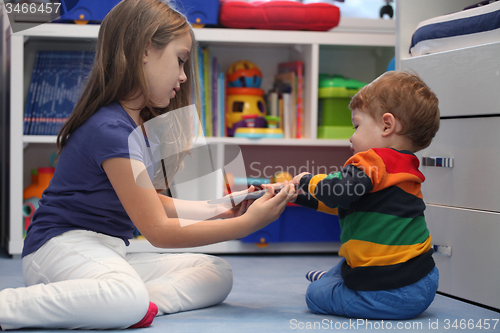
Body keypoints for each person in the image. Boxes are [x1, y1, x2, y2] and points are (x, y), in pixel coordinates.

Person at [0, 0, 295, 330]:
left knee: (216, 273)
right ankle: (12, 307)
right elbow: (157, 231)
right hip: (60, 247)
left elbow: (151, 203)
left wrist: (223, 208)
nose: (184, 76)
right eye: (180, 61)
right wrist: (246, 225)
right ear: (144, 49)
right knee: (125, 295)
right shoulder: (110, 130)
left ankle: (132, 304)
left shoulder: (133, 126)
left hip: (108, 250)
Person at [290, 70, 440, 320]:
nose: (351, 137)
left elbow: (337, 192)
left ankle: (330, 284)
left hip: (391, 290)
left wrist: (307, 180)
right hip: (423, 278)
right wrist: (298, 196)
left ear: (386, 125)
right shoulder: (404, 165)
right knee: (346, 263)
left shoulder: (372, 160)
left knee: (314, 294)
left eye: (357, 125)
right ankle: (335, 279)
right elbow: (347, 203)